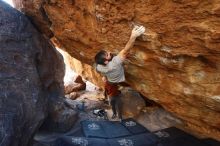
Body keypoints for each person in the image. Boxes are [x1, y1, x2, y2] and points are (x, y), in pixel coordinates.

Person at [94, 25, 145, 120]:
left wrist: (104, 75)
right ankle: (117, 114)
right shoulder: (115, 62)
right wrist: (133, 36)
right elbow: (126, 50)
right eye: (108, 54)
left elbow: (96, 67)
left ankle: (110, 98)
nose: (109, 52)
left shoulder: (99, 66)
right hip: (113, 82)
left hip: (109, 79)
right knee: (113, 97)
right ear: (106, 61)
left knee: (108, 87)